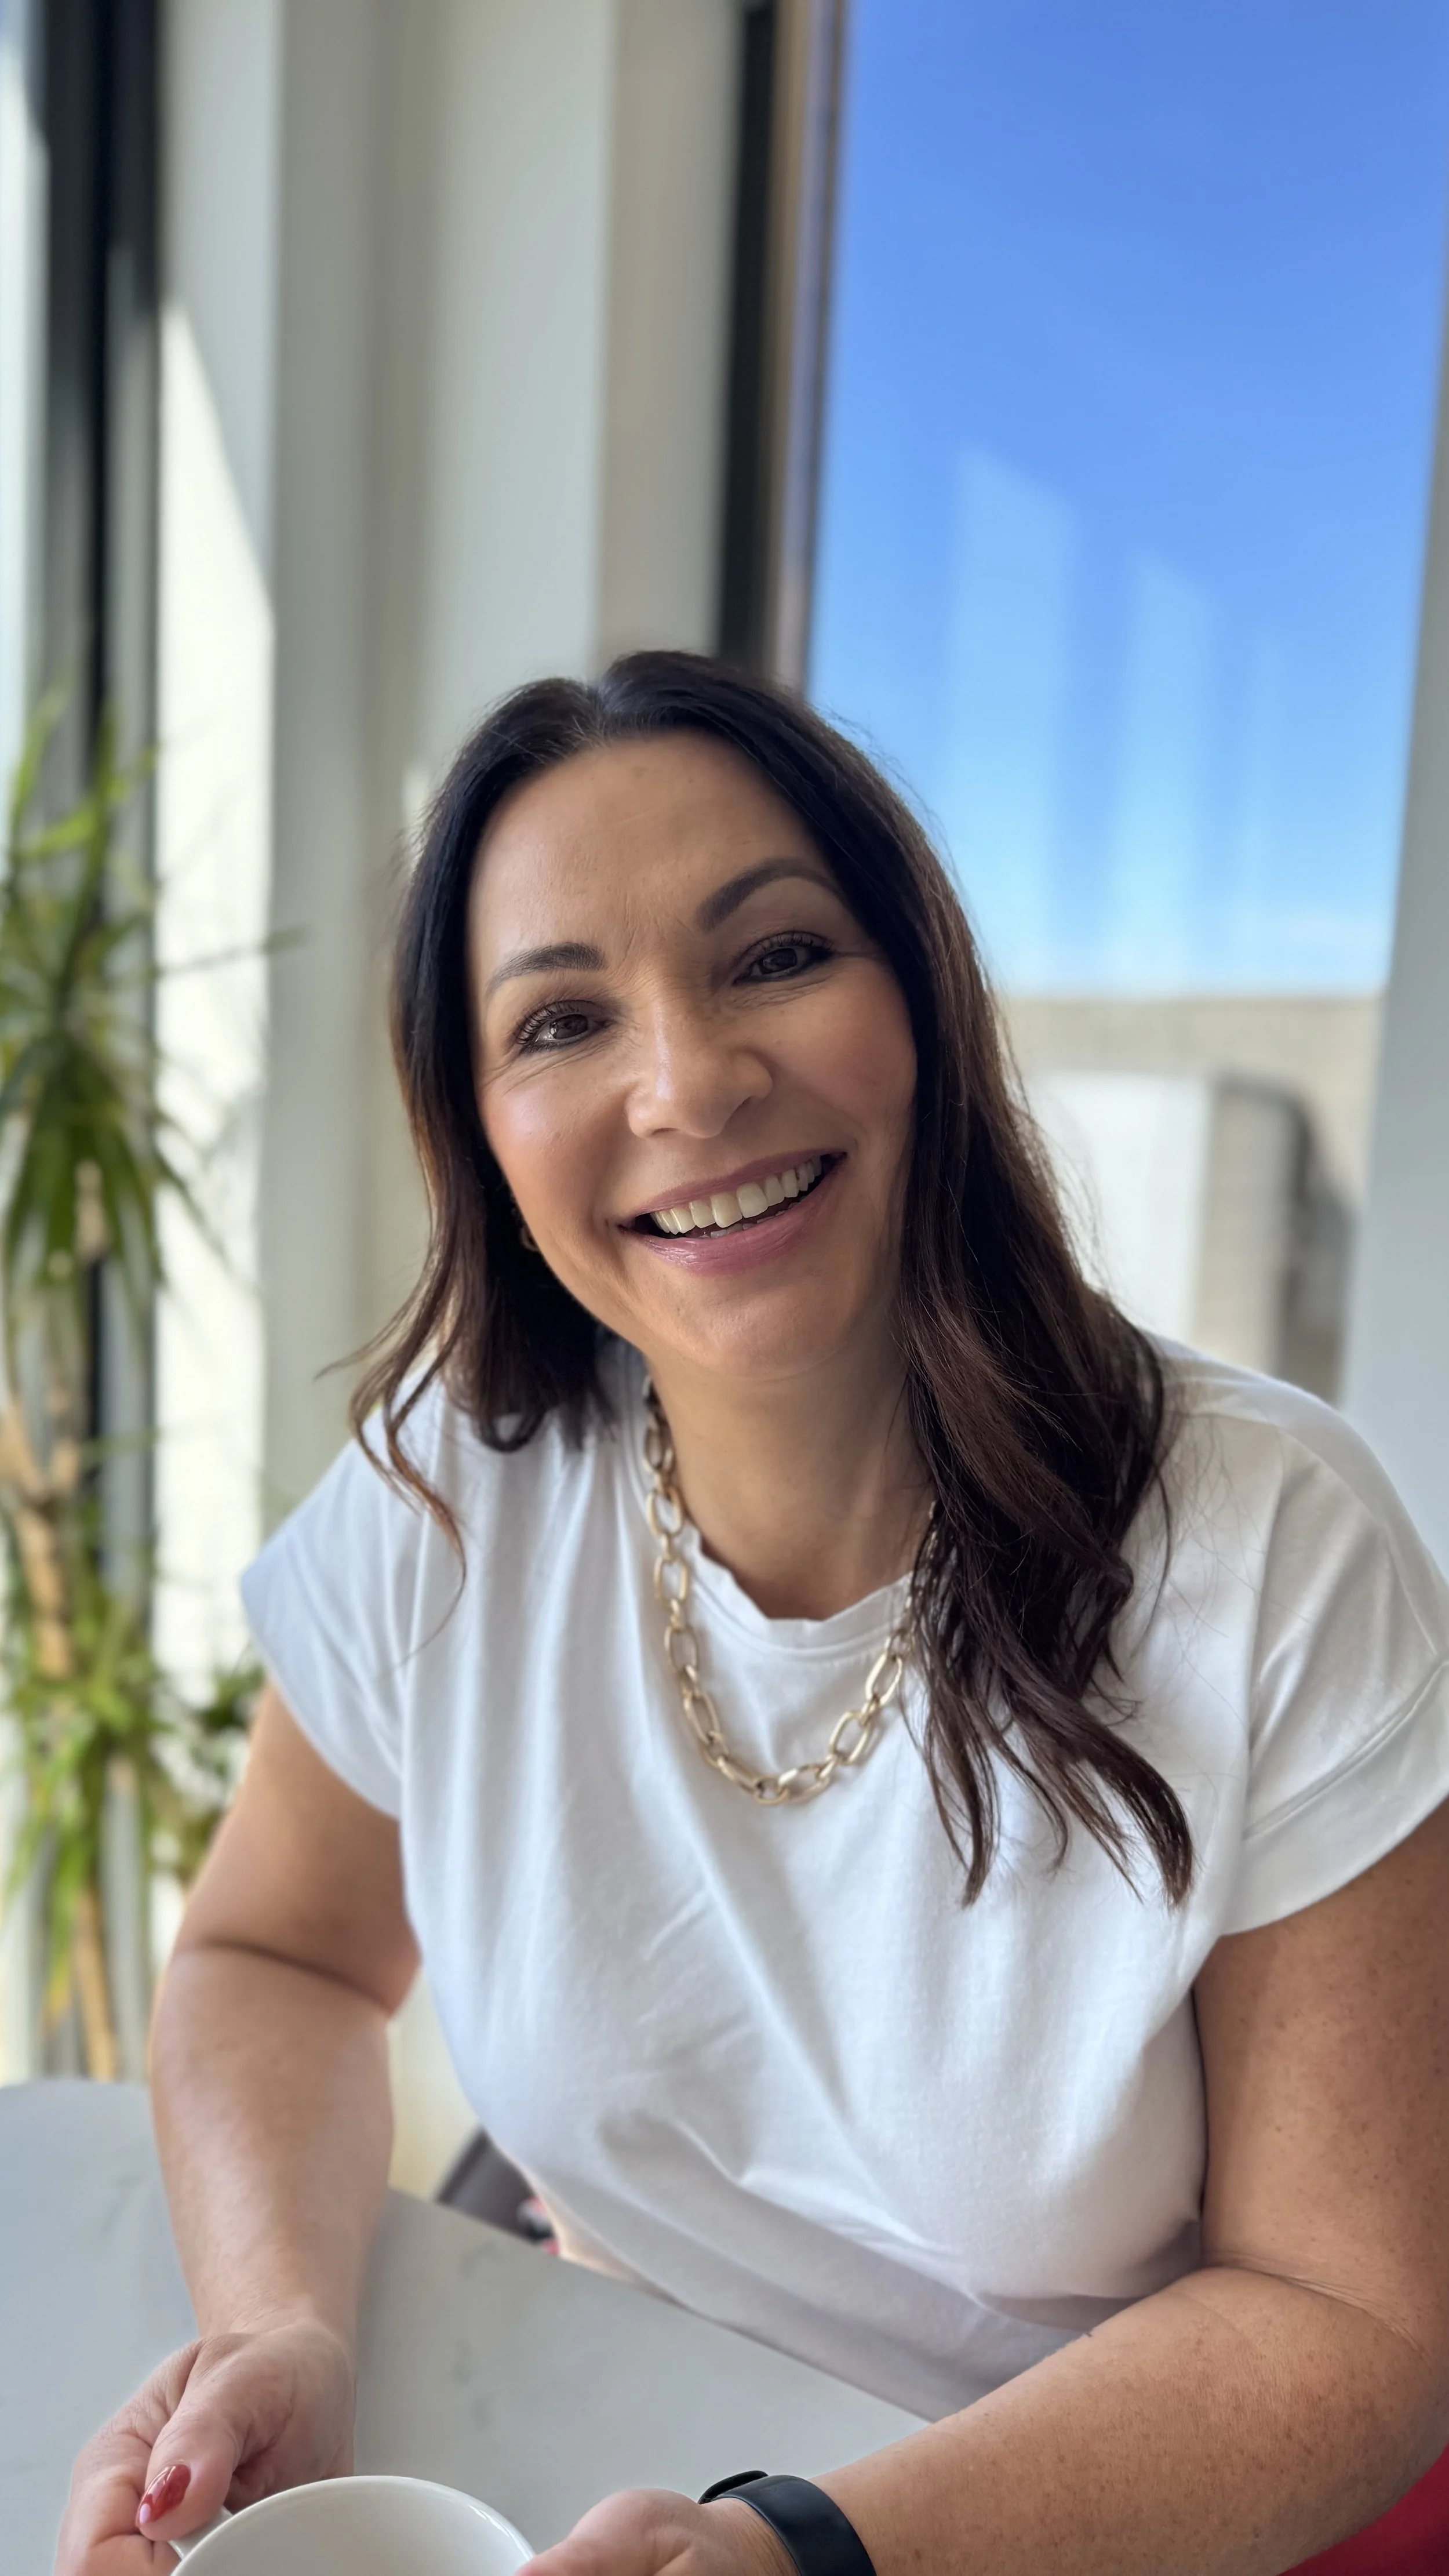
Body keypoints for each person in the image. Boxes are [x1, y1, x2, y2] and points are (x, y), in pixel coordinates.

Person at [60, 655, 1449, 2575]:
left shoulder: (1271, 1546)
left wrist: (811, 2547)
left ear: (920, 1004)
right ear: (477, 1125)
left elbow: (1350, 2323)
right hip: (601, 2451)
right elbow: (275, 1960)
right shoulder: (448, 1485)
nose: (687, 1083)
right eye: (559, 1019)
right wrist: (284, 2316)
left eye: (774, 956)